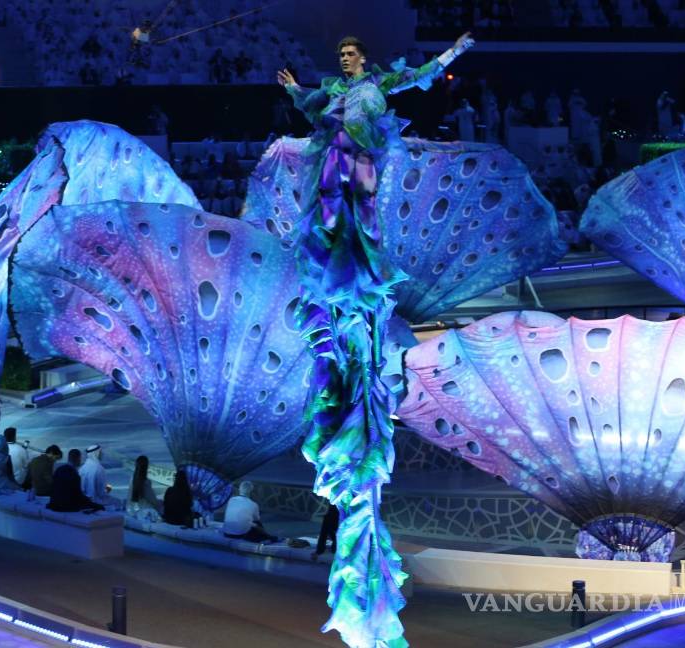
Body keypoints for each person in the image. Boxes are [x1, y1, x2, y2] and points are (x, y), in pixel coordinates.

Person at [277, 32, 473, 645]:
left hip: (358, 168)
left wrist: (453, 55)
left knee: (352, 213)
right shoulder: (334, 93)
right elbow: (312, 105)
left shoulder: (375, 86)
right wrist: (294, 92)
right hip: (334, 168)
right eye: (336, 55)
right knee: (330, 215)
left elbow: (418, 78)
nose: (342, 61)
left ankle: (367, 604)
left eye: (348, 54)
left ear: (363, 57)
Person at [126, 455, 162, 520]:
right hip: (146, 513)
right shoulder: (145, 482)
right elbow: (153, 501)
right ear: (146, 467)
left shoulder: (132, 480)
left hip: (134, 512)